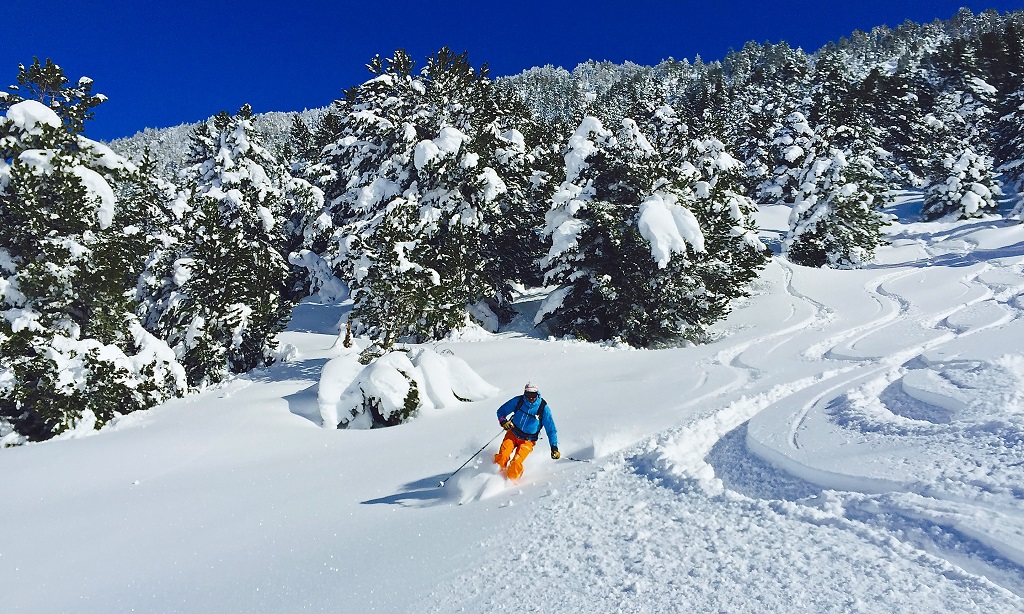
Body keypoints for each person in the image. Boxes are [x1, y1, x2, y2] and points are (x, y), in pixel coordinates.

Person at [493, 383, 559, 480]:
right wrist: (503, 421)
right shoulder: (518, 401)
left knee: (516, 462)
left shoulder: (543, 408)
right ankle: (496, 478)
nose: (531, 398)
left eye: (533, 395)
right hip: (513, 433)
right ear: (525, 393)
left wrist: (554, 447)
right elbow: (501, 411)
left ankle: (511, 482)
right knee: (503, 456)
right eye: (528, 395)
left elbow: (551, 429)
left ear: (537, 394)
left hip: (528, 440)